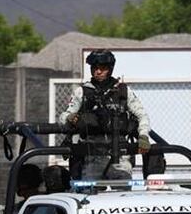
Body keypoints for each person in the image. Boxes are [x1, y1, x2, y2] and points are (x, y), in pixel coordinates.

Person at [58, 49, 151, 180]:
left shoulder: (123, 91)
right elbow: (63, 117)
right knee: (89, 195)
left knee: (122, 195)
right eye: (95, 68)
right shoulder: (82, 92)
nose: (98, 71)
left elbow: (142, 116)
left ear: (110, 69)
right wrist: (69, 117)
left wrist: (143, 136)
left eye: (103, 68)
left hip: (120, 153)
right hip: (92, 153)